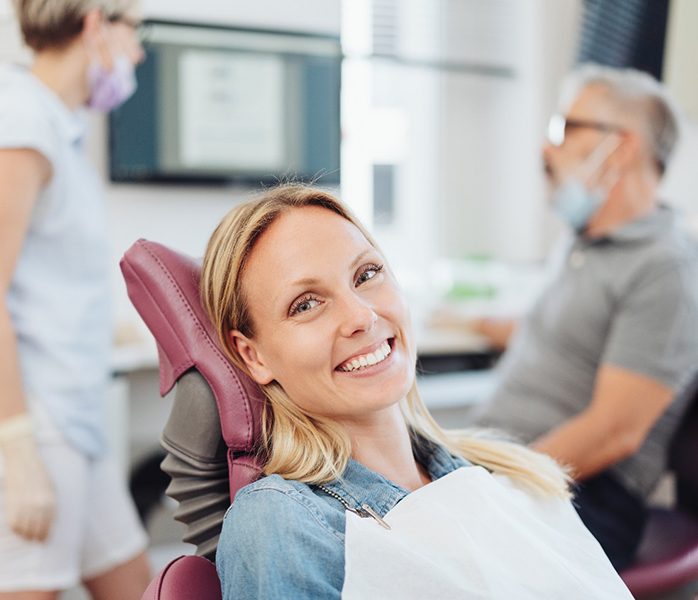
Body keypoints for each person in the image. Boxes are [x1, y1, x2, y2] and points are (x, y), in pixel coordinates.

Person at [200, 184, 633, 599]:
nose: (362, 316)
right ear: (253, 355)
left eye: (367, 274)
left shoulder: (507, 475)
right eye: (307, 304)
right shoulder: (282, 522)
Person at [467, 65, 698, 570]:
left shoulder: (666, 269)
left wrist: (490, 485)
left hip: (584, 494)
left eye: (565, 129)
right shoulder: (585, 242)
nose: (548, 149)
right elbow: (563, 336)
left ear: (620, 148)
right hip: (514, 464)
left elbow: (614, 432)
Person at [0, 1, 150, 597]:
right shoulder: (23, 125)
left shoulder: (58, 126)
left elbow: (43, 278)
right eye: (135, 32)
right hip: (37, 422)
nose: (137, 52)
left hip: (76, 419)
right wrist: (16, 444)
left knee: (137, 584)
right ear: (94, 25)